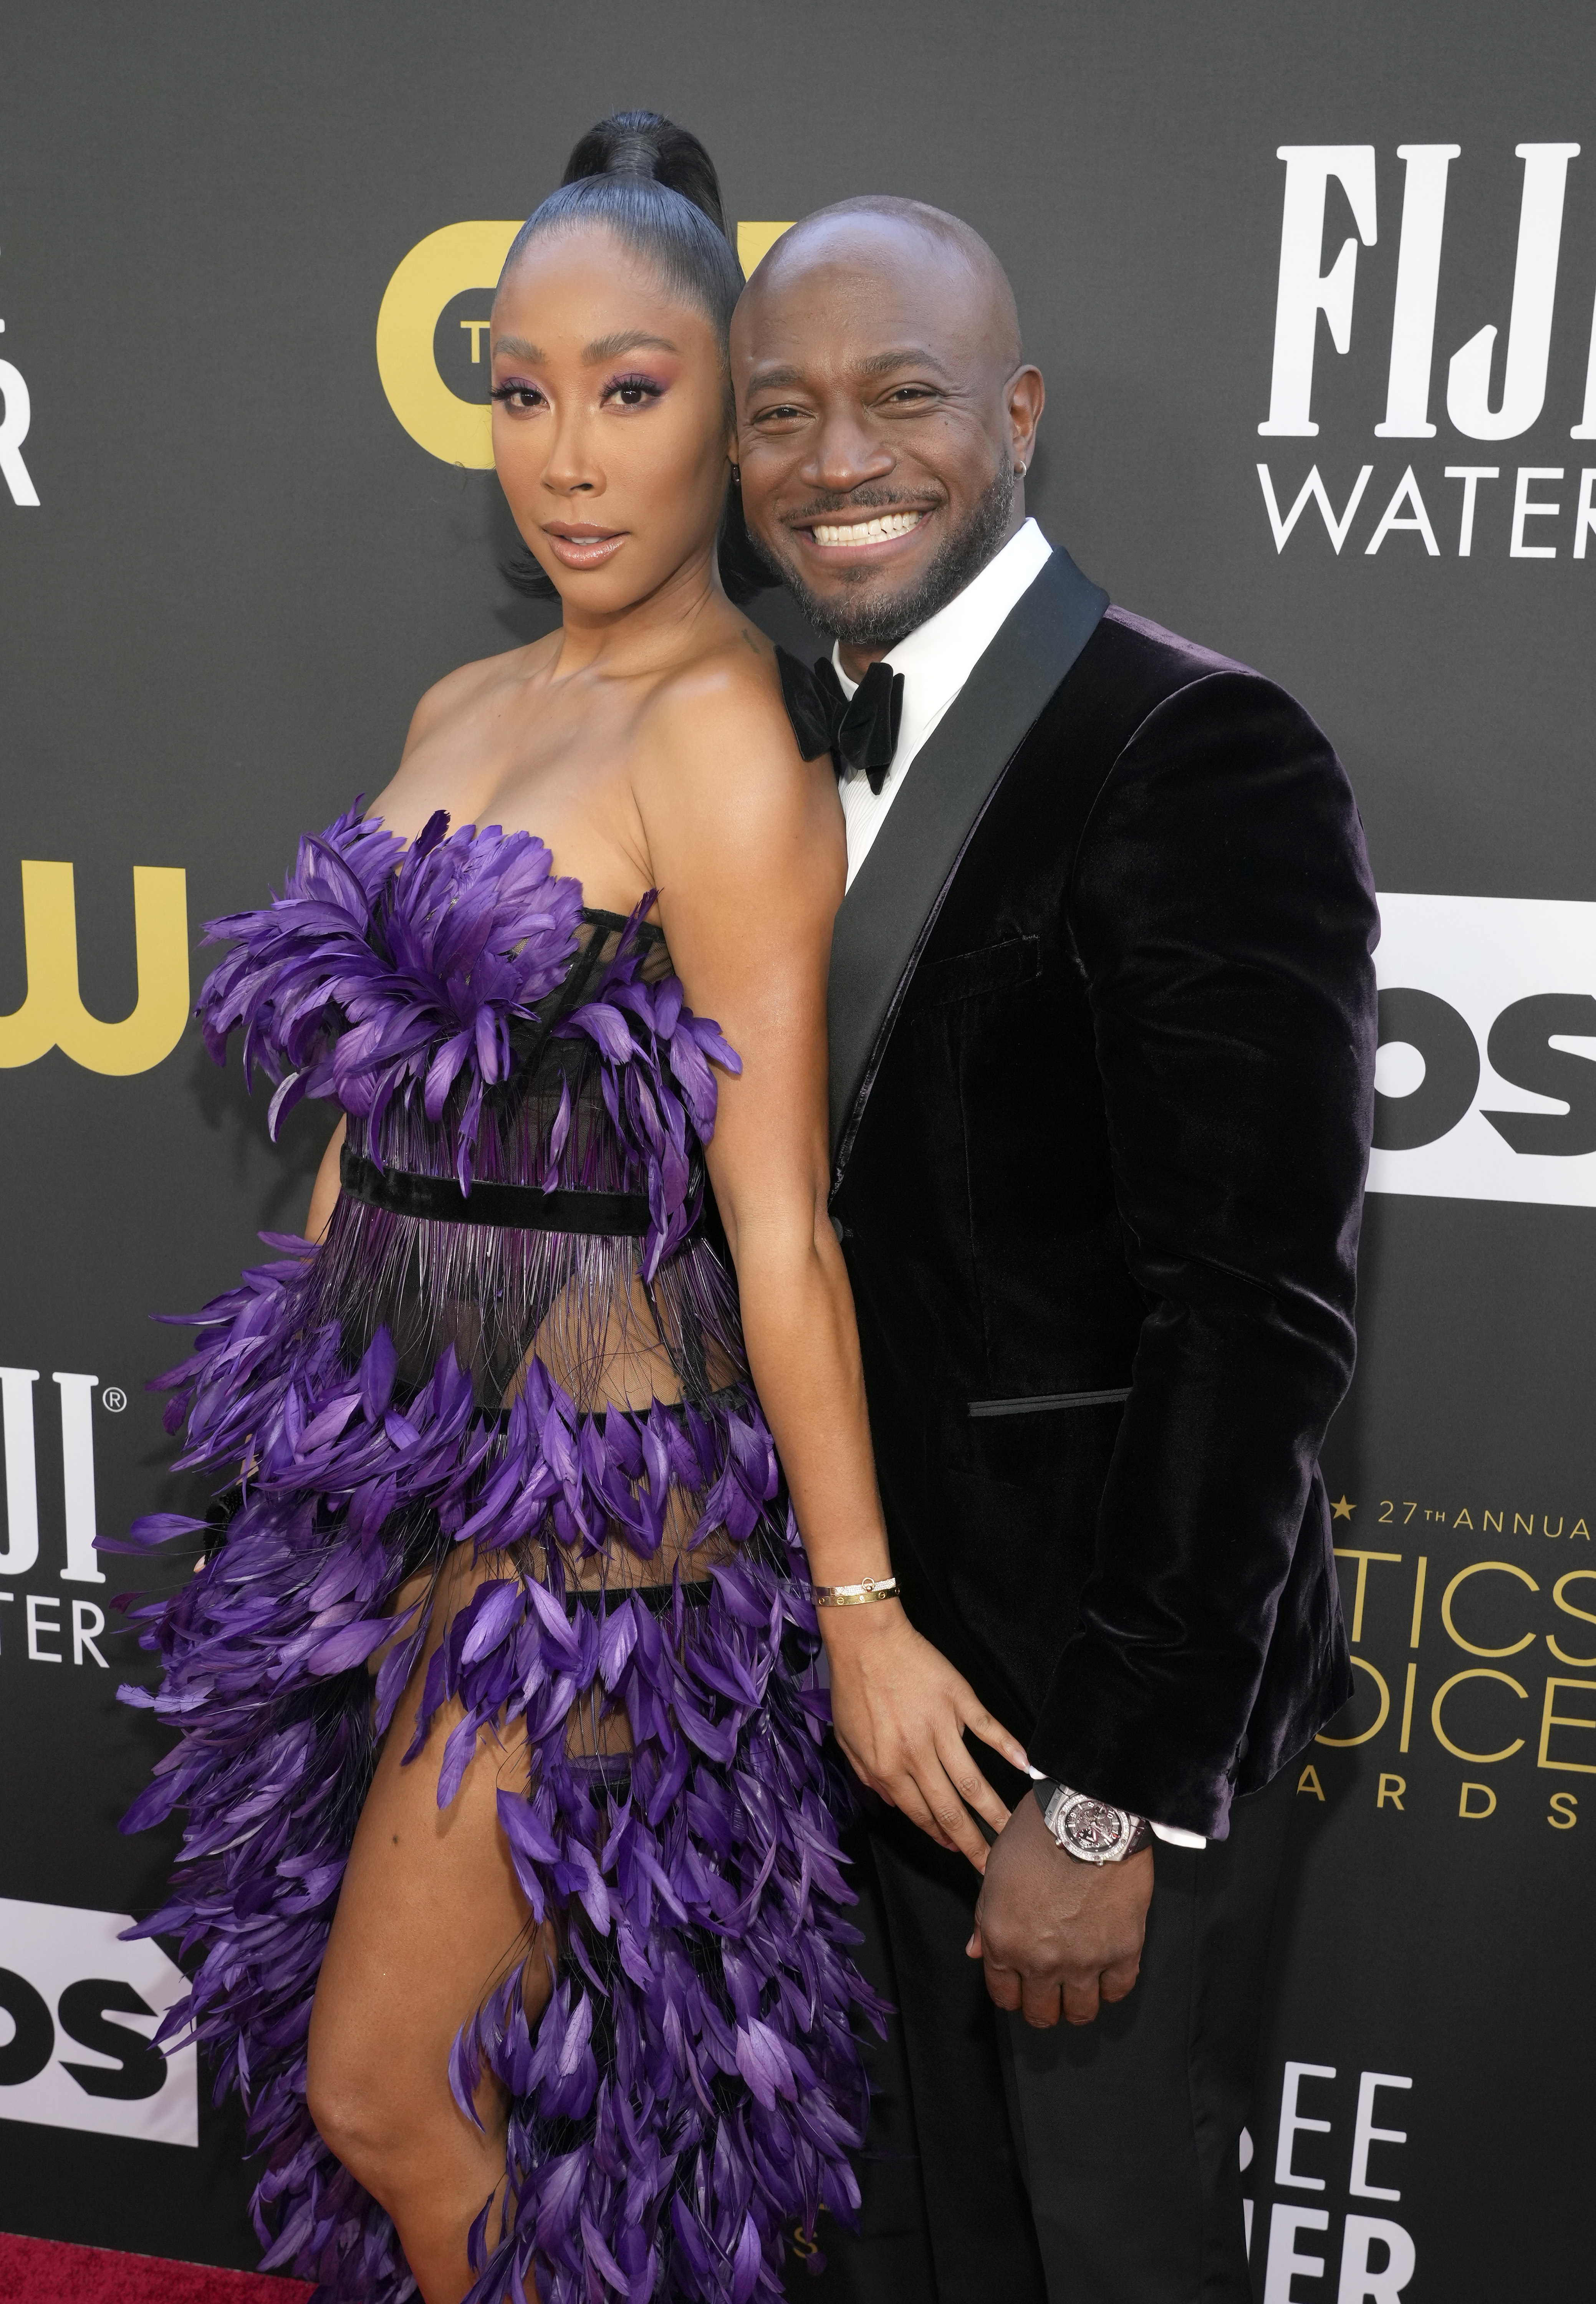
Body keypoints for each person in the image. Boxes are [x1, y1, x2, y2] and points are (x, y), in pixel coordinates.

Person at [112, 122, 1028, 2304]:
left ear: (731, 407)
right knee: (435, 2099)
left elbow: (778, 1225)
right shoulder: (467, 702)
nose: (568, 454)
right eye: (520, 389)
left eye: (633, 389)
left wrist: (865, 1605)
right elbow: (369, 1105)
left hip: (578, 1508)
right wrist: (290, 1423)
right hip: (370, 1467)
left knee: (391, 2098)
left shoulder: (726, 740)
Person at [731, 200, 1379, 2304]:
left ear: (1013, 415)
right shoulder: (752, 749)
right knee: (899, 2249)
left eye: (903, 399)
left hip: (1069, 1724)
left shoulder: (1193, 748)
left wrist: (1106, 1801)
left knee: (1094, 2253)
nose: (843, 463)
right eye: (784, 415)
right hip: (841, 1696)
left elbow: (1258, 1311)